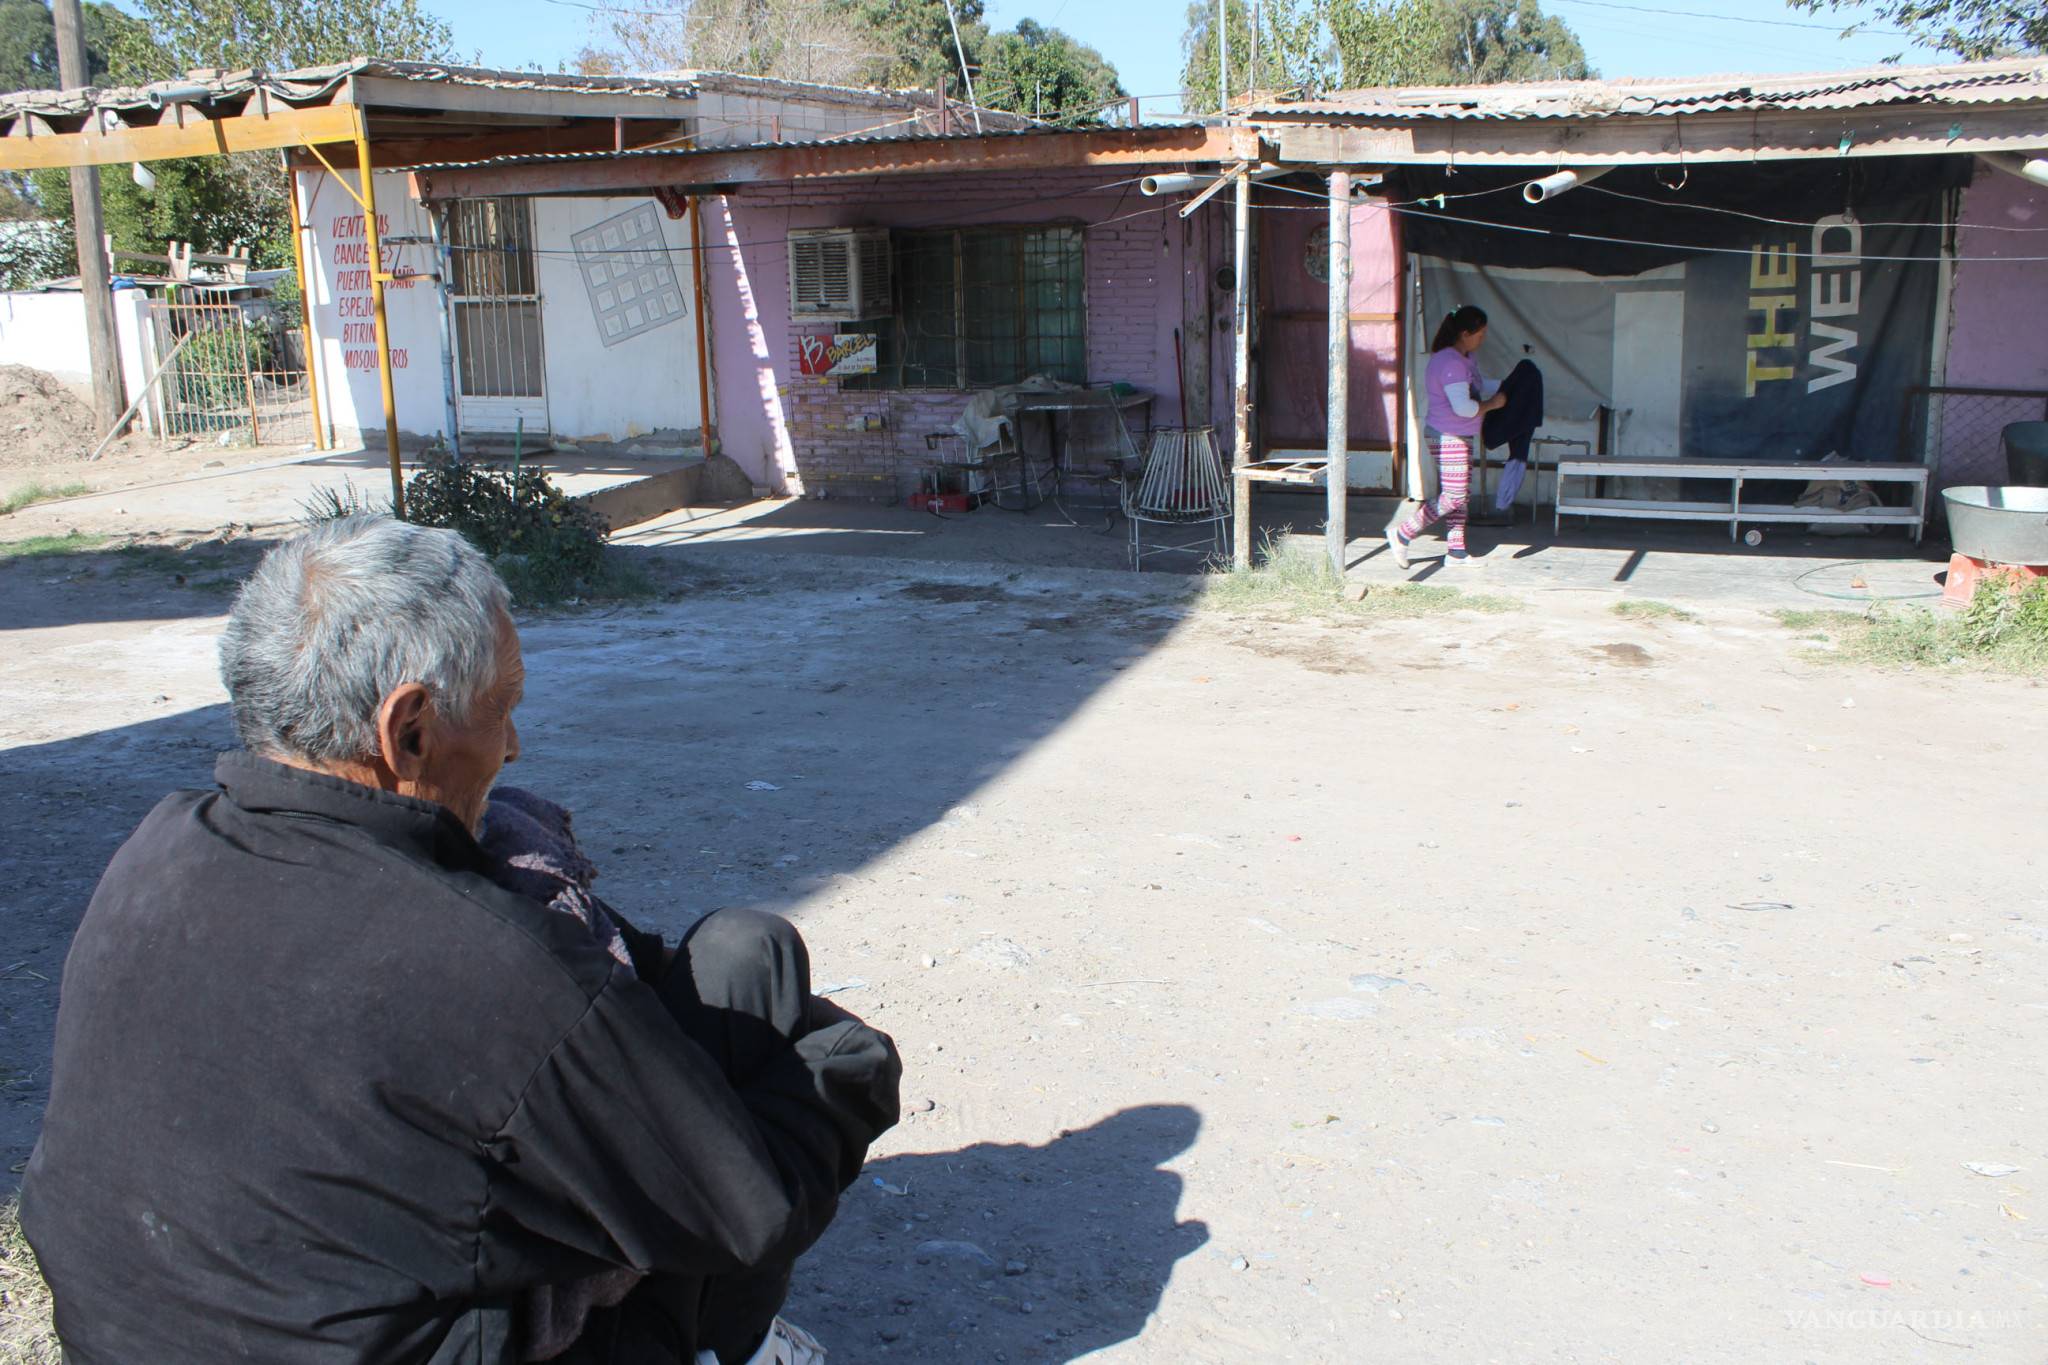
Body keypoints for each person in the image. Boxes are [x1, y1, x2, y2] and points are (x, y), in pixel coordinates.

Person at [19, 516, 900, 1365]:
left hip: (121, 1338)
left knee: (745, 956)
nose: (512, 747)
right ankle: (731, 1345)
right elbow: (748, 1210)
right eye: (501, 708)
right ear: (408, 732)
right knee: (771, 1110)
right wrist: (844, 1069)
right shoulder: (486, 962)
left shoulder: (157, 848)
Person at [1386, 304, 1541, 567]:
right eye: (1480, 334)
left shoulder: (1464, 359)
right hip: (1448, 435)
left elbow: (1477, 386)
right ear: (1465, 333)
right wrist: (1494, 404)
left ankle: (1456, 551)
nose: (1483, 338)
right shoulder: (1451, 364)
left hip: (1458, 435)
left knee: (1460, 495)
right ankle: (1402, 533)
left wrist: (1508, 386)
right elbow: (1464, 407)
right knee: (1454, 496)